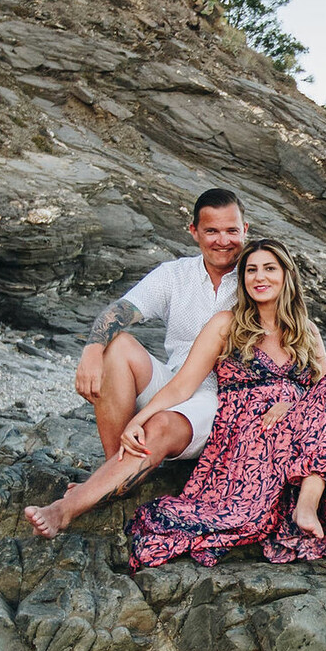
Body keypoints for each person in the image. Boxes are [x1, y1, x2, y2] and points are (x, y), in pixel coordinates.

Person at [25, 238, 326, 567]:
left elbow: (325, 391)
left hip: (296, 436)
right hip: (247, 434)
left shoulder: (307, 331)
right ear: (242, 280)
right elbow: (184, 384)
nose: (260, 277)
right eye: (252, 270)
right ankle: (66, 508)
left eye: (269, 269)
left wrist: (293, 403)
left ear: (286, 275)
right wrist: (142, 418)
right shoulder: (227, 325)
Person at [67, 187, 248, 481]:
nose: (223, 241)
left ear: (245, 229)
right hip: (173, 384)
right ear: (194, 231)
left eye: (232, 230)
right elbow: (120, 310)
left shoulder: (257, 276)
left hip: (225, 398)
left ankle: (112, 478)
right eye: (212, 231)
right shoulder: (175, 275)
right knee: (117, 345)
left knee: (165, 422)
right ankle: (114, 469)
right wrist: (91, 351)